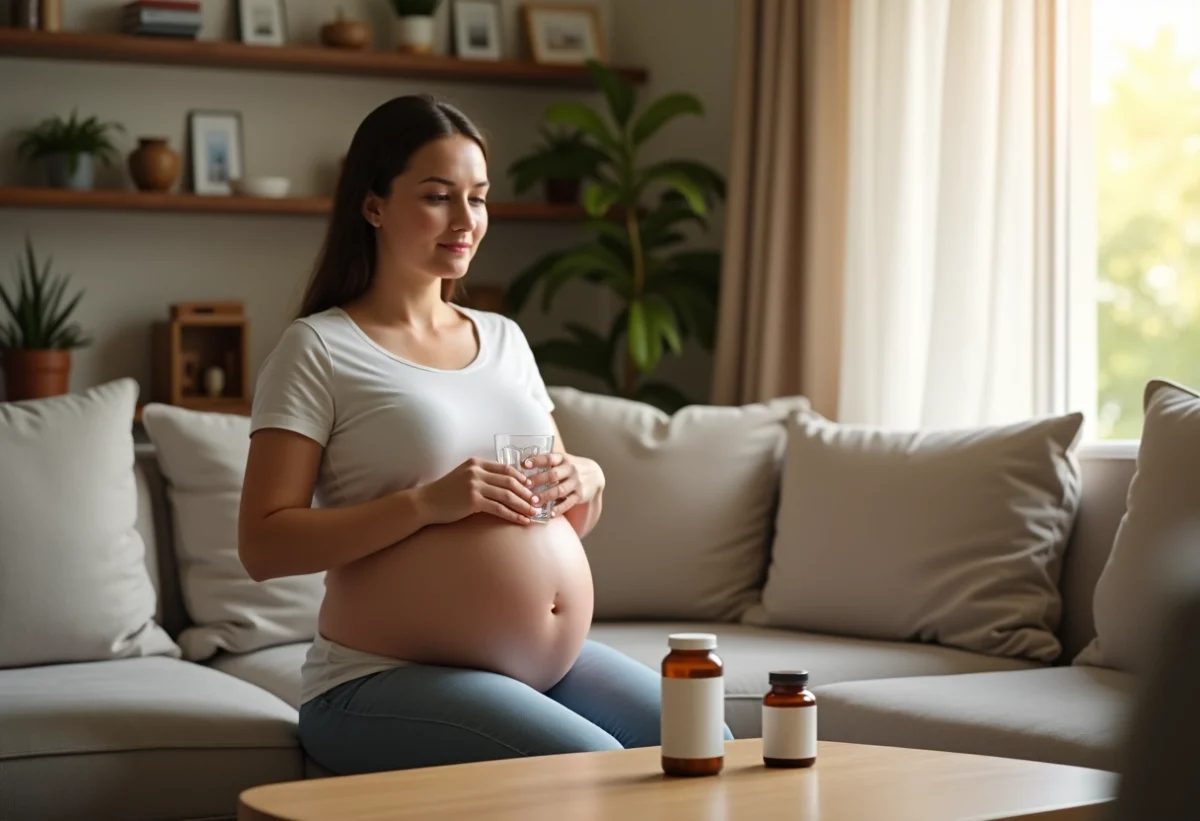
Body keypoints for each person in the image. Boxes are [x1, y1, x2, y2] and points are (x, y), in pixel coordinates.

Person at [238, 95, 730, 775]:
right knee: (591, 766)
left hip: (544, 666)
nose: (467, 220)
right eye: (439, 197)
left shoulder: (504, 339)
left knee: (711, 737)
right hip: (377, 677)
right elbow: (263, 544)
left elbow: (562, 519)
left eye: (479, 197)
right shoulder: (318, 347)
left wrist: (588, 478)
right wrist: (424, 503)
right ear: (373, 205)